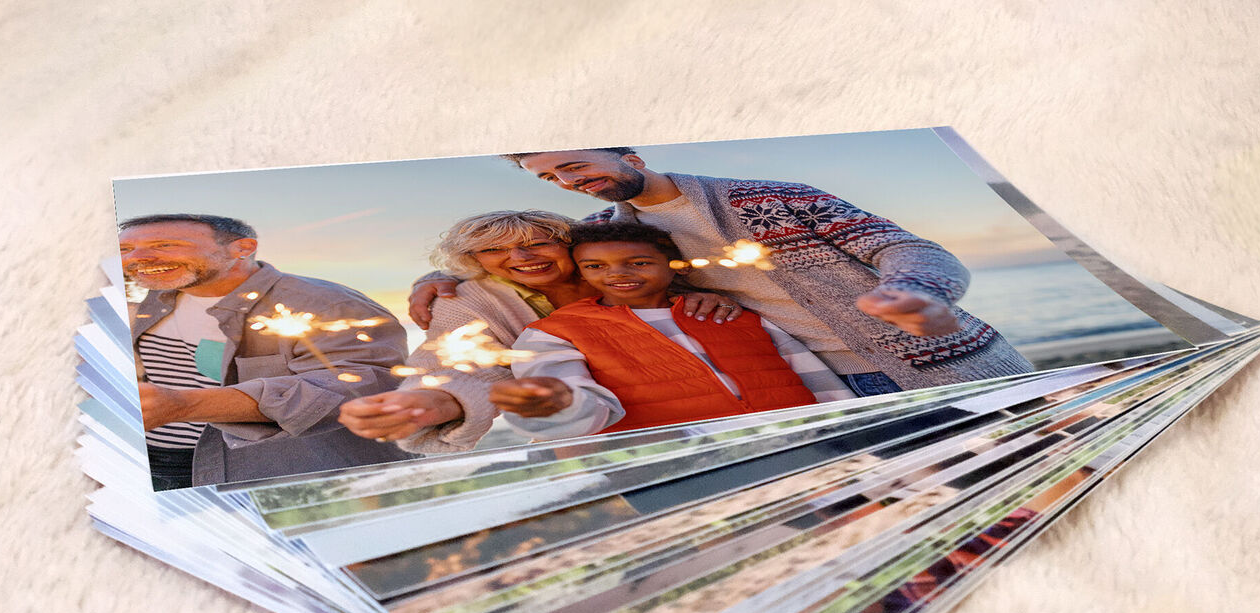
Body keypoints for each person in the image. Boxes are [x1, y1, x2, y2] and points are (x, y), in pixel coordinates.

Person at [409, 147, 1034, 397]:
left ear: (628, 155)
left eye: (575, 164)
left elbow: (910, 249)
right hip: (828, 384)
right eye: (554, 178)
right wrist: (443, 283)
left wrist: (914, 290)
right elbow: (534, 259)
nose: (572, 182)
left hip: (947, 358)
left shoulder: (770, 194)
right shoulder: (601, 234)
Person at [337, 210, 740, 453]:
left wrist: (718, 301)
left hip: (716, 412)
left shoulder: (620, 268)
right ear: (471, 260)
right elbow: (457, 362)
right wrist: (437, 401)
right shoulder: (467, 300)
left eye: (537, 243)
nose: (520, 257)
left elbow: (705, 289)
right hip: (597, 433)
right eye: (494, 250)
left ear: (571, 244)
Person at [121, 213, 408, 489]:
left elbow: (365, 384)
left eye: (166, 245)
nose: (135, 258)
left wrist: (186, 405)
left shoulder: (328, 304)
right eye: (126, 249)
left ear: (242, 249)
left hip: (272, 473)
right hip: (149, 463)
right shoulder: (147, 300)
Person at [489, 223, 854, 440]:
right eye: (596, 265)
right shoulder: (554, 333)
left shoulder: (736, 315)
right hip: (686, 466)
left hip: (804, 441)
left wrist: (855, 429)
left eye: (639, 263)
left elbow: (815, 378)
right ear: (581, 272)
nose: (617, 273)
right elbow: (589, 410)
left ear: (675, 266)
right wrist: (558, 404)